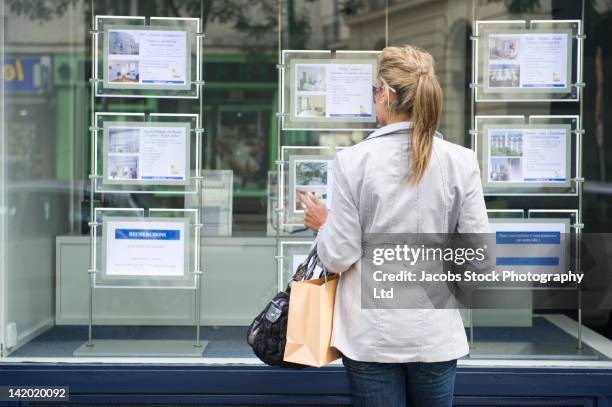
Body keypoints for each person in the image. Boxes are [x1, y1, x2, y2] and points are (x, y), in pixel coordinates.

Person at [298, 45, 489, 407]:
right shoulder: (461, 161)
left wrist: (324, 225)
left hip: (372, 337)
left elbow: (338, 257)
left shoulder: (353, 161)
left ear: (386, 94)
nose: (374, 100)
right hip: (436, 333)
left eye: (374, 91)